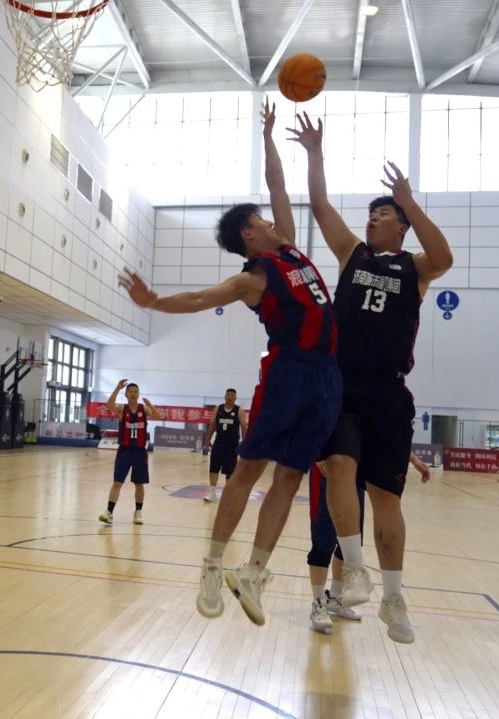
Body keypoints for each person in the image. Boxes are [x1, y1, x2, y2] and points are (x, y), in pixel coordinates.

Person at [118, 101, 341, 627]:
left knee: (293, 476)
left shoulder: (290, 248)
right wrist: (154, 302)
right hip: (288, 373)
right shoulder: (252, 279)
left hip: (327, 375)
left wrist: (273, 139)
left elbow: (277, 184)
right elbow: (200, 297)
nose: (271, 220)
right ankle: (212, 566)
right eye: (262, 219)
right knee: (249, 469)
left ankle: (253, 573)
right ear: (249, 234)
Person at [296, 107, 453, 644]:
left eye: (382, 215)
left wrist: (409, 200)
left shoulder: (416, 268)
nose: (371, 220)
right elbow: (320, 206)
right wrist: (315, 153)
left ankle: (394, 597)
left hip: (388, 390)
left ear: (401, 226)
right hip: (341, 383)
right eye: (370, 215)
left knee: (387, 497)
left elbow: (444, 257)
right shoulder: (352, 254)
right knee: (339, 464)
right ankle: (355, 570)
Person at [308, 453, 430, 634]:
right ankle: (318, 603)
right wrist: (318, 453)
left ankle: (336, 596)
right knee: (322, 541)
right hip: (327, 465)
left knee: (350, 542)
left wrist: (413, 459)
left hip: (355, 472)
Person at [98, 380, 161, 525]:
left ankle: (138, 512)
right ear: (126, 394)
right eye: (130, 392)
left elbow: (158, 417)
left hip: (139, 452)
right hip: (124, 451)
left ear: (138, 394)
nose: (133, 394)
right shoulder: (122, 409)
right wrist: (117, 388)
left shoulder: (144, 409)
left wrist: (151, 405)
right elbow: (109, 405)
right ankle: (109, 512)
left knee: (139, 484)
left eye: (135, 392)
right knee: (117, 482)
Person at [203, 388, 246, 502]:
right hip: (219, 442)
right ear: (225, 396)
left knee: (230, 471)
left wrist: (244, 442)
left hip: (232, 444)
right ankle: (212, 493)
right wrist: (208, 439)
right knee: (214, 467)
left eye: (232, 395)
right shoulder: (218, 408)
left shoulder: (239, 411)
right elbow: (212, 424)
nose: (229, 397)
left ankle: (228, 494)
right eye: (228, 395)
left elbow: (244, 426)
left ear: (235, 398)